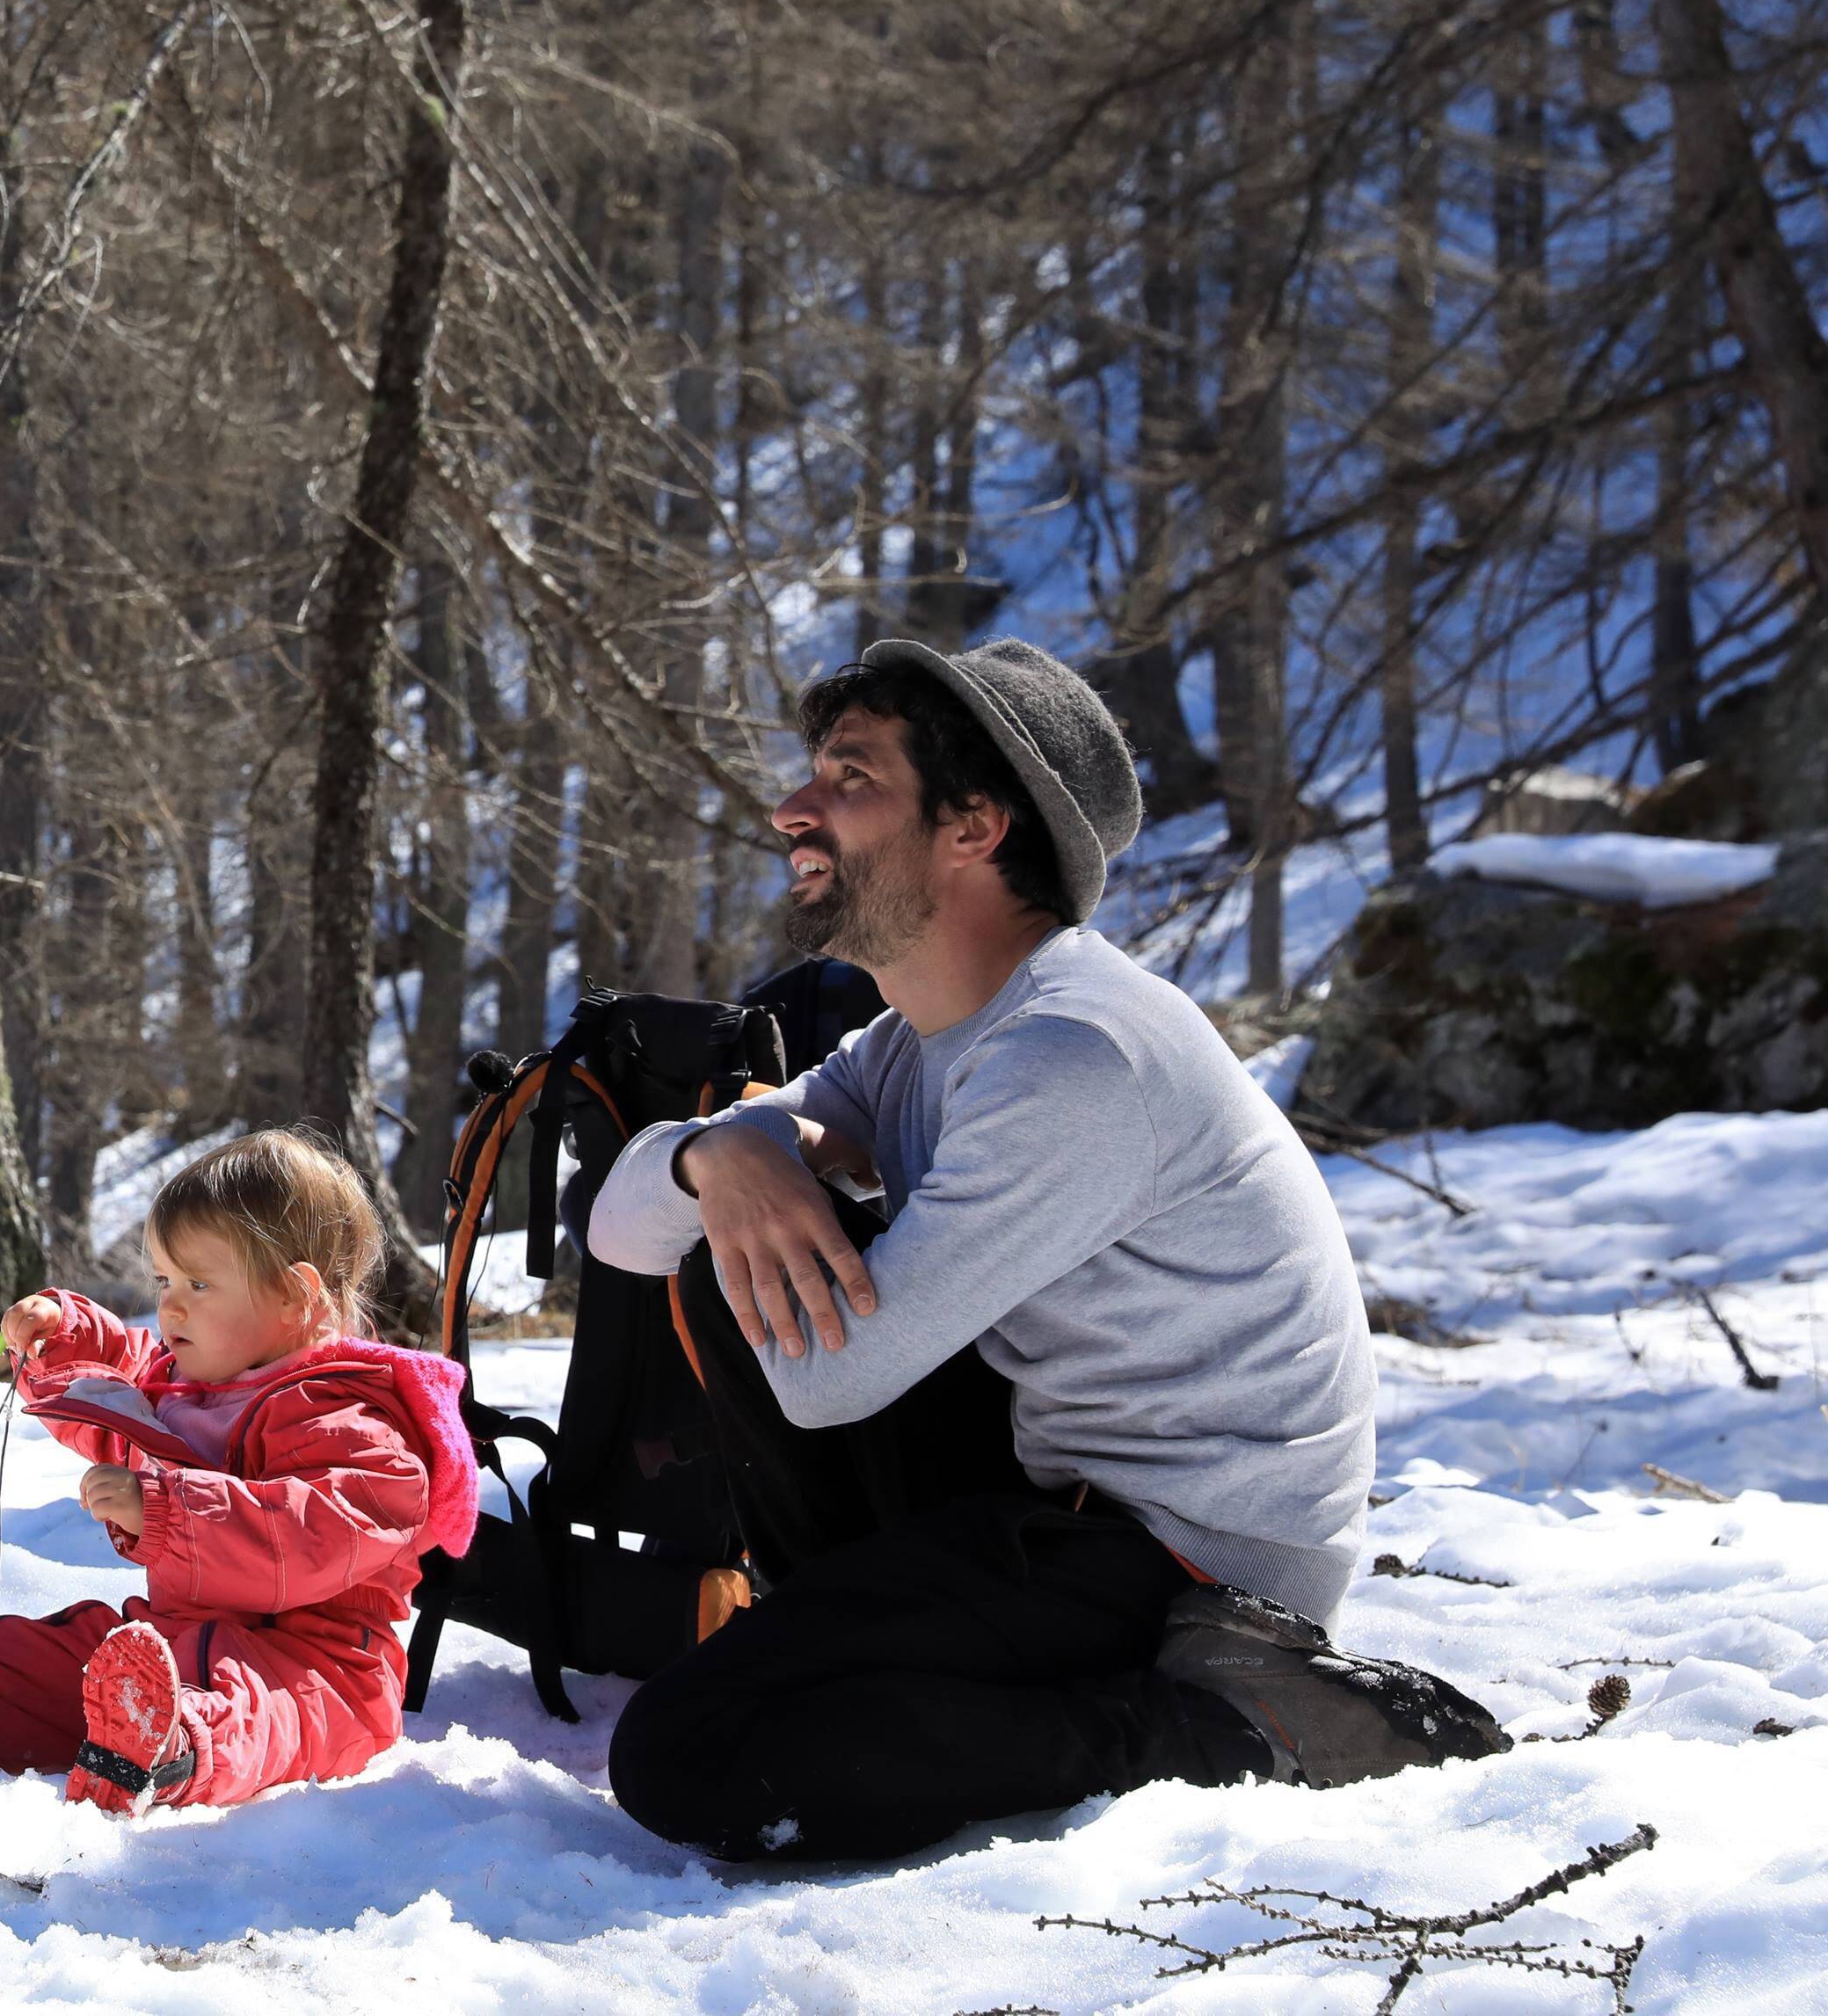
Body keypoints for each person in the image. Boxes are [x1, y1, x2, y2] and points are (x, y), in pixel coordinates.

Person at [591, 638, 1505, 1863]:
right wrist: (727, 1152)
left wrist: (753, 1151)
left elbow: (832, 1378)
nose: (791, 810)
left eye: (849, 777)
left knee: (685, 1753)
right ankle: (872, 1650)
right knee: (730, 1250)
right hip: (1061, 1494)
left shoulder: (1075, 1051)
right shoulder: (917, 1042)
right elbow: (619, 1233)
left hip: (1191, 1561)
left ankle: (1217, 1721)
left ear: (975, 825)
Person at [0, 1131, 477, 1815]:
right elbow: (123, 1375)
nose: (170, 1309)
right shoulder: (189, 1382)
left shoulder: (355, 1420)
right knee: (20, 1656)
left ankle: (166, 1746)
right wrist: (64, 1337)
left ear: (297, 1296)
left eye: (199, 1286)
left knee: (258, 1709)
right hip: (165, 1644)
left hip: (319, 1670)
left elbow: (310, 1536)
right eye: (164, 1282)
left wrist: (167, 1508)